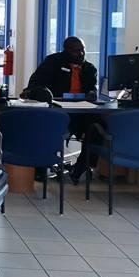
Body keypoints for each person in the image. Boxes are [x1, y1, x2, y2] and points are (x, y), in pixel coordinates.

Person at [23, 36, 99, 184]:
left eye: (83, 50)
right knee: (46, 126)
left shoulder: (89, 69)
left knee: (97, 126)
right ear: (66, 51)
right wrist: (44, 93)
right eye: (76, 51)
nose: (81, 54)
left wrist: (92, 93)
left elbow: (92, 89)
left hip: (81, 112)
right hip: (56, 110)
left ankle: (81, 167)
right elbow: (35, 85)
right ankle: (41, 166)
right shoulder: (53, 62)